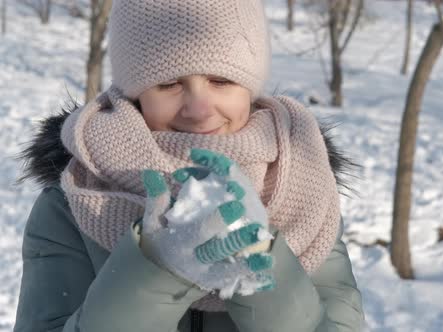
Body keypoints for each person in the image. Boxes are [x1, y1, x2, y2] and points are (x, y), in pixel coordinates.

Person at [13, 0, 365, 331]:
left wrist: (262, 268)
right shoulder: (76, 199)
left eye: (221, 80)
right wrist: (157, 269)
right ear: (137, 93)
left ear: (250, 86)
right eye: (169, 83)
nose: (199, 110)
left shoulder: (303, 189)